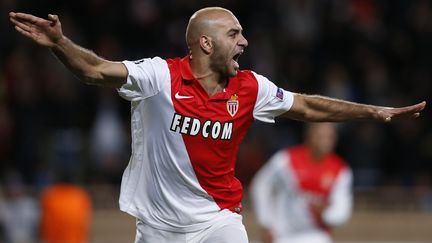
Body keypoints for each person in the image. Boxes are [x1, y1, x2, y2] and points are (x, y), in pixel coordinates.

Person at [9, 6, 425, 243]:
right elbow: (96, 70)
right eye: (234, 33)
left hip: (216, 221)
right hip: (157, 229)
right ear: (205, 43)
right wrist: (61, 45)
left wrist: (373, 111)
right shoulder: (159, 77)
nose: (244, 41)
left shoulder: (250, 87)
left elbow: (308, 107)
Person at [250, 123, 352, 243]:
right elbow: (261, 185)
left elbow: (342, 210)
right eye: (320, 136)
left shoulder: (340, 171)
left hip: (316, 235)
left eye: (329, 137)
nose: (325, 141)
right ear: (309, 136)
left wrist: (326, 215)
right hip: (282, 236)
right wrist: (266, 222)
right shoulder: (286, 160)